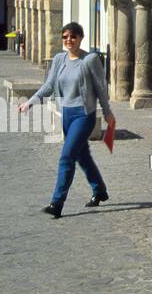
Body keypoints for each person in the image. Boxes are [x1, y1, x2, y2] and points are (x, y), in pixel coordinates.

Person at [18, 22, 116, 219]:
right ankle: (100, 191)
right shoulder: (59, 59)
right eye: (65, 37)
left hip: (83, 115)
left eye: (73, 36)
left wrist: (107, 112)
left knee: (66, 156)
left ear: (81, 38)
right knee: (82, 156)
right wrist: (30, 102)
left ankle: (57, 202)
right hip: (67, 114)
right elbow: (49, 85)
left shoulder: (89, 59)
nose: (68, 40)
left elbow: (100, 88)